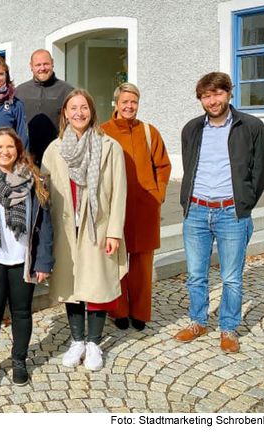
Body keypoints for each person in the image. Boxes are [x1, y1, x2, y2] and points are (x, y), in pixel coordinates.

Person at [174, 72, 264, 353]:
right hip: (197, 211)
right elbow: (190, 165)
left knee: (231, 277)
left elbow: (260, 168)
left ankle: (228, 328)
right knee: (195, 274)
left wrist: (246, 202)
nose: (212, 101)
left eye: (217, 94)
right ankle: (198, 321)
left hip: (231, 212)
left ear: (229, 94)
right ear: (200, 100)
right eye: (206, 96)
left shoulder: (250, 126)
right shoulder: (192, 129)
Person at [41, 89, 127, 371]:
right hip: (66, 227)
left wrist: (114, 231)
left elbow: (118, 192)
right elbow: (45, 192)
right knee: (72, 284)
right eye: (73, 108)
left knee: (97, 284)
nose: (79, 113)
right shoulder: (54, 149)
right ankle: (77, 340)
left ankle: (94, 344)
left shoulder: (109, 146)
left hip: (97, 226)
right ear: (65, 113)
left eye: (84, 108)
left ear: (92, 111)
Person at [0, 127, 53, 388]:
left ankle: (19, 361)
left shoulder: (33, 179)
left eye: (10, 147)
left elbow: (45, 226)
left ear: (18, 150)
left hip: (23, 257)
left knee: (22, 312)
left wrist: (44, 261)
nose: (5, 152)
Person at [101, 83, 171, 331]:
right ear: (116, 103)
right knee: (116, 262)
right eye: (125, 102)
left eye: (134, 102)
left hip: (145, 208)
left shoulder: (149, 131)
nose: (129, 106)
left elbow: (163, 166)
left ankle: (140, 312)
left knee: (142, 265)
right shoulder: (103, 132)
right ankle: (118, 311)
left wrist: (158, 193)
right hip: (115, 208)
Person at [16, 49, 74, 165]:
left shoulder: (67, 91)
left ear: (52, 63)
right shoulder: (19, 92)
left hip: (58, 157)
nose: (42, 68)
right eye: (38, 65)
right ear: (31, 66)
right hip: (26, 158)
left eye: (46, 64)